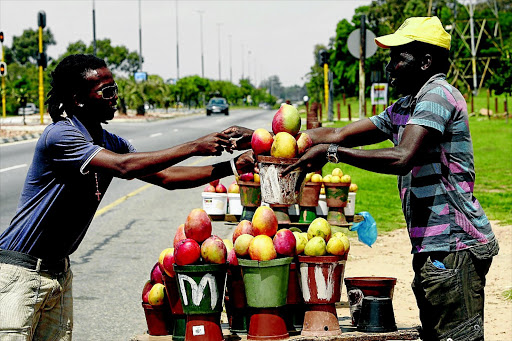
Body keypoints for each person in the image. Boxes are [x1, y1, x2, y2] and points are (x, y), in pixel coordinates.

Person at [230, 17, 499, 341]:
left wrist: (333, 154)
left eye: (398, 58)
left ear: (426, 62)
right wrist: (272, 137)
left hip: (454, 246)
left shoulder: (437, 96)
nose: (390, 68)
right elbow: (339, 132)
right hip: (435, 249)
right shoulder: (408, 106)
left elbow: (402, 157)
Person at [0, 54, 252, 340]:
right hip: (20, 273)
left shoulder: (110, 142)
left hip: (58, 273)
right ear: (78, 98)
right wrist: (195, 146)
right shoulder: (61, 136)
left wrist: (231, 166)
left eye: (115, 88)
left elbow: (166, 177)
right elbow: (125, 166)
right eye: (106, 91)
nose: (115, 97)